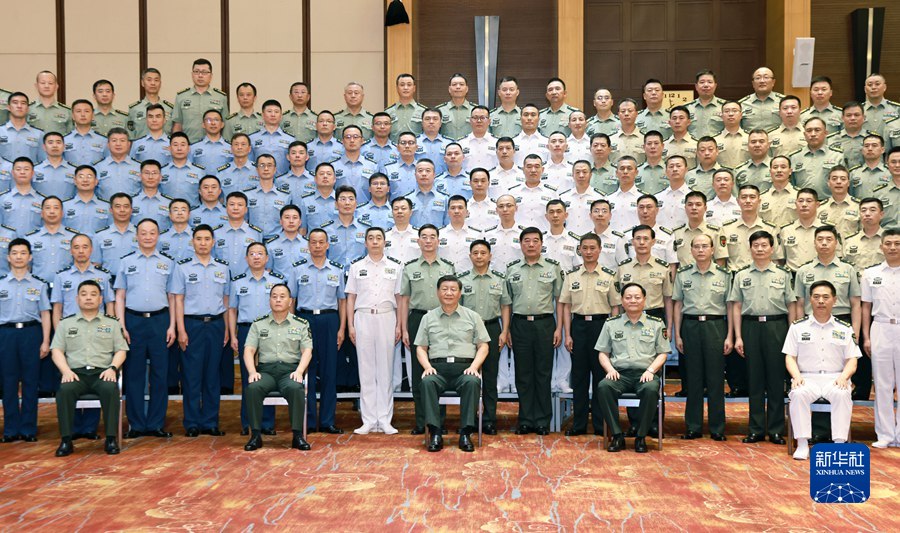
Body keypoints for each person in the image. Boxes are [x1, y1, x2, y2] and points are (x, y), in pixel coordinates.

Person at [730, 230, 796, 445]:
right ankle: (756, 429)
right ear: (750, 248)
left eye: (764, 245)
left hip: (777, 327)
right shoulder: (741, 275)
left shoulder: (783, 274)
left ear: (772, 248)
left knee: (776, 380)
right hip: (750, 327)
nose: (759, 249)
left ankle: (776, 429)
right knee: (754, 379)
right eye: (755, 245)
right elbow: (736, 306)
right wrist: (738, 336)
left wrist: (792, 335)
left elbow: (791, 305)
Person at [50, 280, 127, 456]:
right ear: (77, 299)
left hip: (102, 373)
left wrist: (112, 368)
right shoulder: (65, 323)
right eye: (84, 294)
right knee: (65, 391)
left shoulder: (112, 324)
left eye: (93, 294)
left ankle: (111, 439)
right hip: (75, 374)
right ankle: (66, 440)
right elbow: (56, 350)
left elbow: (121, 350)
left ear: (100, 299)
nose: (88, 298)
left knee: (110, 389)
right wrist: (66, 371)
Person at [114, 218, 176, 439]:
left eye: (152, 233)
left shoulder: (168, 263)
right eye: (143, 233)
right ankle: (137, 424)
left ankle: (156, 423)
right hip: (133, 322)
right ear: (137, 236)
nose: (148, 237)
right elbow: (120, 296)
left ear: (158, 235)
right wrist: (121, 325)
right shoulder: (126, 262)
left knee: (160, 374)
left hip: (160, 321)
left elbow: (172, 297)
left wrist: (172, 326)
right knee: (134, 375)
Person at [785, 280, 861, 460]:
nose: (821, 301)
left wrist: (844, 377)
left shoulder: (844, 328)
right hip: (807, 377)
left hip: (835, 378)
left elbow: (852, 359)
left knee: (842, 394)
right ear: (810, 299)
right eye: (816, 297)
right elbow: (789, 357)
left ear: (834, 300)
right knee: (798, 393)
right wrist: (796, 376)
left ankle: (839, 445)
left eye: (826, 297)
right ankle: (802, 444)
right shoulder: (797, 327)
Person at [415, 275, 490, 452]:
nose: (449, 293)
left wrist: (474, 367)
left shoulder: (473, 316)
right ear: (437, 292)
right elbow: (421, 348)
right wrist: (427, 367)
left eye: (453, 289)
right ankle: (435, 432)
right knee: (427, 382)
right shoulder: (428, 318)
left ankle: (465, 433)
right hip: (437, 370)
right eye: (444, 289)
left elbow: (484, 346)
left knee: (472, 382)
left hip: (464, 370)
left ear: (460, 293)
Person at [171, 224, 231, 437]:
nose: (203, 243)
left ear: (213, 242)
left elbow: (226, 300)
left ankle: (210, 422)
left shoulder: (222, 268)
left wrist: (226, 328)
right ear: (192, 242)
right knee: (191, 375)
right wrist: (181, 329)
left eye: (207, 239)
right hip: (192, 325)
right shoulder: (183, 267)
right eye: (199, 239)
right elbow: (178, 300)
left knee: (213, 375)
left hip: (216, 324)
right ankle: (192, 422)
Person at [595, 283, 670, 453]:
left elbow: (663, 353)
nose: (633, 301)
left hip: (645, 374)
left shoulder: (656, 324)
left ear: (644, 300)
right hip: (619, 375)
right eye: (628, 297)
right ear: (622, 301)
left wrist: (651, 371)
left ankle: (641, 436)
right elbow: (602, 353)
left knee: (651, 389)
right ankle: (617, 435)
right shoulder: (611, 324)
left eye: (637, 297)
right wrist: (610, 370)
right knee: (604, 387)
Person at [560, 233, 620, 436]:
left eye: (592, 248)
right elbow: (566, 306)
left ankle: (600, 424)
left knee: (601, 377)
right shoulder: (571, 276)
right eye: (584, 248)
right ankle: (579, 424)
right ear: (579, 250)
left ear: (600, 250)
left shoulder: (609, 276)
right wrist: (567, 334)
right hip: (578, 327)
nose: (588, 252)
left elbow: (615, 307)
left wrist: (612, 334)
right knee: (579, 378)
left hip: (601, 326)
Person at [673, 234, 732, 441]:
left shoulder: (724, 275)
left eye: (705, 246)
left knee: (716, 379)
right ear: (691, 250)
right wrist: (677, 334)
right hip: (690, 326)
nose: (700, 250)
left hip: (716, 326)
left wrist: (730, 335)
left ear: (712, 249)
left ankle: (717, 428)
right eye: (696, 246)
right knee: (693, 379)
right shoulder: (683, 274)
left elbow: (731, 306)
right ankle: (693, 426)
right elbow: (678, 304)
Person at [242, 283, 314, 452]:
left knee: (296, 388)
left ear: (290, 301)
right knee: (253, 388)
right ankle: (255, 435)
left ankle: (297, 436)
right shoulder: (258, 324)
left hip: (290, 372)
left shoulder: (301, 324)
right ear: (269, 301)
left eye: (282, 296)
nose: (278, 300)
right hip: (266, 372)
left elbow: (307, 351)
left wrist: (299, 371)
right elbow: (248, 350)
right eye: (274, 296)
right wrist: (252, 372)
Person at [506, 227, 563, 435]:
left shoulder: (553, 267)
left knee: (543, 372)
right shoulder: (512, 269)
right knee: (523, 373)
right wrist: (507, 329)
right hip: (519, 324)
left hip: (544, 324)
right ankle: (525, 419)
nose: (531, 244)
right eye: (527, 241)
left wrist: (559, 328)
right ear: (521, 244)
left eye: (535, 240)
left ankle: (542, 420)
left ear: (541, 244)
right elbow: (507, 302)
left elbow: (560, 300)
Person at [399, 224, 456, 434]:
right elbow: (404, 300)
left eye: (432, 237)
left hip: (442, 318)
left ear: (438, 241)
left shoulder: (448, 267)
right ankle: (421, 421)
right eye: (424, 237)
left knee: (439, 367)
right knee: (418, 370)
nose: (428, 240)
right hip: (417, 319)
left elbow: (455, 297)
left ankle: (438, 421)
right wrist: (404, 328)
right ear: (418, 241)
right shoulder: (410, 268)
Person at [289, 229, 346, 435]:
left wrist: (342, 328)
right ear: (308, 245)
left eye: (321, 242)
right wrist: (292, 327)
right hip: (304, 320)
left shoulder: (337, 270)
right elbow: (292, 300)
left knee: (330, 371)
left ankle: (328, 420)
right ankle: (310, 420)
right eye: (313, 242)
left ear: (328, 245)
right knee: (307, 371)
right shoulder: (298, 269)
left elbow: (342, 301)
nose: (317, 246)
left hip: (329, 320)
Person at [346, 227, 402, 434]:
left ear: (385, 242)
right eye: (371, 238)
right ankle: (368, 420)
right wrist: (350, 325)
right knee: (366, 370)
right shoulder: (356, 267)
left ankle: (385, 419)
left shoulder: (395, 267)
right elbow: (350, 297)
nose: (375, 241)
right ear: (365, 243)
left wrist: (399, 325)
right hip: (363, 317)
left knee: (386, 370)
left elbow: (399, 298)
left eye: (379, 238)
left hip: (387, 317)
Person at [227, 242, 282, 435]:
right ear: (246, 258)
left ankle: (267, 423)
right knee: (248, 377)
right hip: (246, 330)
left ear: (267, 258)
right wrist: (233, 335)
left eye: (260, 254)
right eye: (252, 254)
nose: (256, 257)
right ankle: (248, 422)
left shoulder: (276, 282)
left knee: (268, 376)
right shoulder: (238, 282)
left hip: (271, 331)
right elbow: (232, 310)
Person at [457, 240, 511, 435]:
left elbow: (505, 306)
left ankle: (489, 420)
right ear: (470, 256)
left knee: (490, 376)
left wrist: (504, 331)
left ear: (490, 256)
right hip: (467, 332)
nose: (479, 256)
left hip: (492, 329)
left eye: (483, 253)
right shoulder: (461, 280)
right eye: (475, 253)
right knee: (468, 375)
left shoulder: (499, 279)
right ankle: (469, 420)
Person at [0, 239, 51, 443]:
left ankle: (29, 428)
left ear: (30, 257)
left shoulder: (39, 284)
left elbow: (45, 313)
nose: (19, 257)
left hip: (31, 333)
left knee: (31, 382)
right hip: (6, 335)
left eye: (23, 253)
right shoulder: (1, 283)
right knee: (9, 382)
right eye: (15, 253)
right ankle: (11, 429)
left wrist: (45, 341)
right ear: (8, 257)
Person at [861, 229, 900, 448]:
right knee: (882, 384)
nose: (893, 247)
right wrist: (866, 337)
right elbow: (866, 307)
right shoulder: (870, 273)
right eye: (889, 243)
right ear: (881, 246)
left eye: (897, 243)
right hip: (881, 328)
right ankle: (885, 434)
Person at [171, 58, 227, 143]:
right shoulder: (181, 96)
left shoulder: (221, 97)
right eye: (196, 72)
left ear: (211, 75)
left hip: (213, 145)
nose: (200, 75)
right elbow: (177, 125)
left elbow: (225, 125)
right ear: (192, 74)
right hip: (188, 145)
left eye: (204, 72)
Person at [128, 68, 173, 140]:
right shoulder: (134, 109)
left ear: (160, 83)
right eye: (149, 80)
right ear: (142, 83)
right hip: (141, 146)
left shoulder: (170, 109)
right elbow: (130, 136)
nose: (153, 83)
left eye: (156, 80)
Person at [386, 74, 427, 142]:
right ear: (397, 88)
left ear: (414, 88)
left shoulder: (424, 111)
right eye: (402, 85)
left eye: (409, 85)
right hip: (395, 148)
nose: (405, 88)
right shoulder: (388, 112)